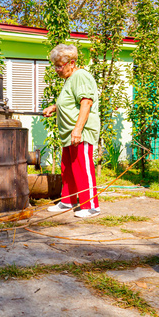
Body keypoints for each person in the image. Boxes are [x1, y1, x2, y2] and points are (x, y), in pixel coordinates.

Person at [42, 44, 100, 218]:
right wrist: (54, 107)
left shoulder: (80, 76)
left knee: (82, 167)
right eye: (55, 66)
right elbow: (69, 102)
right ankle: (68, 200)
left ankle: (91, 206)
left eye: (59, 66)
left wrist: (77, 129)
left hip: (80, 132)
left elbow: (86, 103)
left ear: (72, 63)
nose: (57, 70)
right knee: (68, 169)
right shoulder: (70, 78)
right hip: (69, 133)